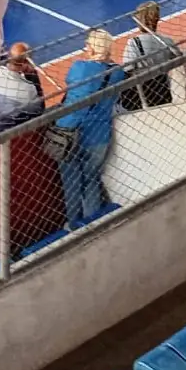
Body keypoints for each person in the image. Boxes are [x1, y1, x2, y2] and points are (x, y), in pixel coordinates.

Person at [55, 28, 124, 226]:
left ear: (94, 48)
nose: (85, 48)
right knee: (92, 179)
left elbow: (72, 90)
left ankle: (73, 223)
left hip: (71, 132)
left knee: (72, 182)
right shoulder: (117, 72)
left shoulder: (80, 68)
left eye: (88, 45)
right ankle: (92, 222)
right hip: (100, 134)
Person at [121, 1, 185, 108]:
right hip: (162, 88)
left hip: (142, 91)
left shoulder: (134, 42)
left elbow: (128, 68)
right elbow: (179, 59)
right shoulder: (167, 41)